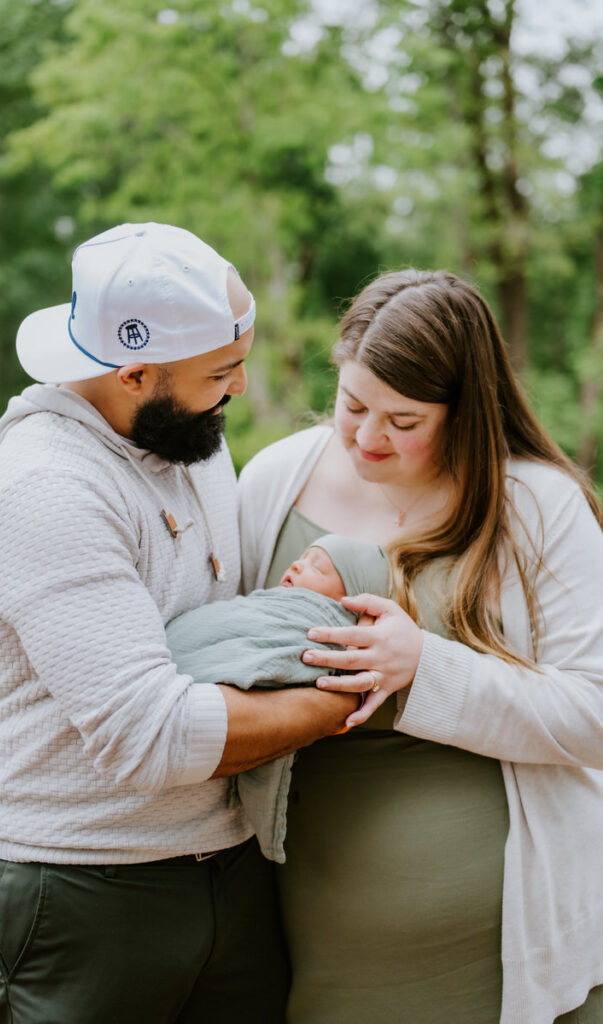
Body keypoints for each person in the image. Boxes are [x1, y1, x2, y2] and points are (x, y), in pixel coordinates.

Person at [0, 222, 358, 1024]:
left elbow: (233, 629)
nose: (241, 388)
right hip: (80, 893)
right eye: (223, 370)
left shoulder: (190, 440)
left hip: (230, 869)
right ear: (136, 373)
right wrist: (342, 700)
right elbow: (151, 737)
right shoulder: (46, 488)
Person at [238, 268, 603, 1024]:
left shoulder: (536, 504)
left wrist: (422, 669)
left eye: (403, 421)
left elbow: (594, 715)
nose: (368, 437)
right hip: (308, 928)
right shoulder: (274, 481)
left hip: (506, 948)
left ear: (465, 409)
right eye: (352, 405)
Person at [167, 533, 397, 862]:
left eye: (317, 568)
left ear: (354, 603)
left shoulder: (318, 629)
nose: (297, 564)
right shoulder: (261, 605)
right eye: (302, 558)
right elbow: (223, 627)